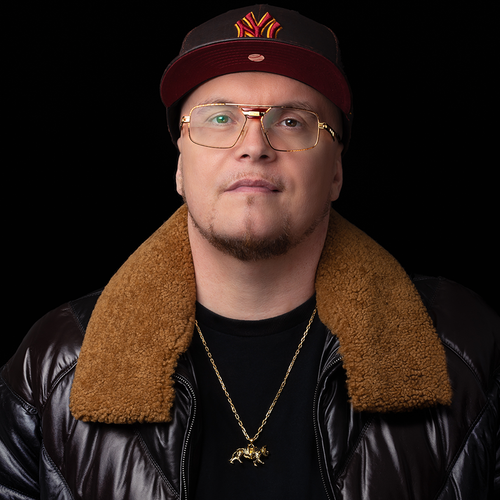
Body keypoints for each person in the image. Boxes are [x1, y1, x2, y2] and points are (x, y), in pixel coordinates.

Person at [1, 4, 499, 499]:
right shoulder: (56, 362)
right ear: (180, 169)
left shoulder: (467, 349)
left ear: (336, 172)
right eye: (220, 118)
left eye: (292, 121)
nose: (254, 145)